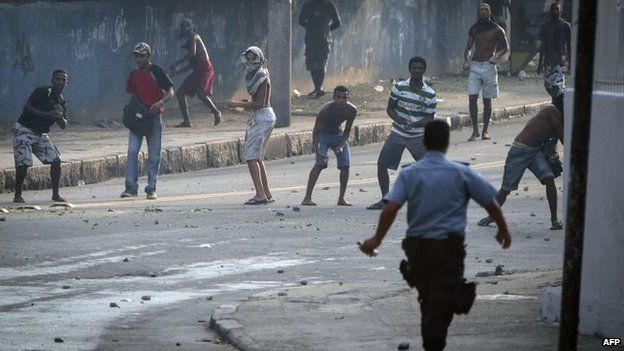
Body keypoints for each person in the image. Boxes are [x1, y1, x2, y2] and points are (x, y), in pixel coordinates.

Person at [360, 120, 512, 351]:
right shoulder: (461, 172)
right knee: (440, 303)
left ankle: (432, 338)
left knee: (429, 297)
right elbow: (491, 204)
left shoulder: (410, 173)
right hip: (448, 248)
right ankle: (433, 343)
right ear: (447, 144)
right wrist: (502, 229)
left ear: (423, 142)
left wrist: (376, 240)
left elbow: (390, 208)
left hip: (418, 248)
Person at [478, 105, 564, 230]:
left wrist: (552, 153)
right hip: (520, 149)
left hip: (536, 151)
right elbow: (564, 138)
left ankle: (554, 220)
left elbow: (552, 140)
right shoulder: (552, 111)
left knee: (549, 179)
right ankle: (491, 216)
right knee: (506, 189)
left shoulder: (558, 117)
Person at [367, 56, 436, 210]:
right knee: (382, 165)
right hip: (397, 134)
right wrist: (400, 120)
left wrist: (415, 124)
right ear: (409, 70)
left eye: (419, 68)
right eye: (414, 68)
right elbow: (390, 109)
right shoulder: (399, 87)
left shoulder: (430, 94)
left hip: (418, 136)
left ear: (424, 71)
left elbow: (430, 118)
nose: (417, 71)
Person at [121, 42, 174, 200]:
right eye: (136, 56)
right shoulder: (134, 74)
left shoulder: (157, 71)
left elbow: (170, 91)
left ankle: (151, 188)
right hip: (138, 119)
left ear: (148, 56)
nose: (138, 59)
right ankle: (130, 187)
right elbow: (133, 93)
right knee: (132, 152)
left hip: (154, 118)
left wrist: (160, 102)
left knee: (154, 156)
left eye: (141, 56)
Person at [226, 46, 276, 205]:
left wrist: (236, 104)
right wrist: (246, 103)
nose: (250, 61)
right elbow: (259, 101)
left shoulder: (261, 75)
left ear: (259, 58)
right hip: (264, 116)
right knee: (258, 157)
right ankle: (266, 192)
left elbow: (260, 102)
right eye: (247, 58)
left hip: (262, 117)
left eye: (253, 58)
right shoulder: (259, 74)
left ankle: (260, 194)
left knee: (251, 157)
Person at [12, 69, 69, 203]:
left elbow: (64, 125)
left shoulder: (61, 102)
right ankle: (17, 195)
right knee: (24, 162)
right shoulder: (42, 92)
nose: (60, 82)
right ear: (52, 80)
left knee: (56, 160)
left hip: (40, 134)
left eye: (63, 80)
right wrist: (47, 115)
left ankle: (55, 195)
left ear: (66, 83)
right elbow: (26, 107)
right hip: (24, 130)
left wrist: (60, 117)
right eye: (57, 79)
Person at [301, 85, 357, 206]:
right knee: (320, 164)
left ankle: (341, 198)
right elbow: (316, 131)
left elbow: (347, 130)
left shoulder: (351, 110)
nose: (341, 100)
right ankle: (307, 197)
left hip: (338, 135)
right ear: (334, 97)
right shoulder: (326, 110)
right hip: (324, 135)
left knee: (345, 165)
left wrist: (341, 145)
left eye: (344, 97)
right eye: (338, 97)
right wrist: (317, 150)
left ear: (348, 98)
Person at [463, 2, 509, 141]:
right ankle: (475, 131)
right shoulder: (474, 29)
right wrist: (467, 59)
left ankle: (485, 131)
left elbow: (505, 47)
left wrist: (497, 55)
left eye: (486, 10)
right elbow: (468, 49)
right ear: (478, 13)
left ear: (490, 12)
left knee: (487, 100)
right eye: (481, 10)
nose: (483, 12)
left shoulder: (497, 29)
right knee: (472, 97)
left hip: (489, 66)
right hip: (476, 66)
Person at [169, 18, 222, 128]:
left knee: (201, 94)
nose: (185, 28)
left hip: (206, 69)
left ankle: (216, 112)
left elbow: (192, 54)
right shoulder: (188, 42)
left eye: (187, 26)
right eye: (183, 26)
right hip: (197, 70)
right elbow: (191, 65)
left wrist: (175, 63)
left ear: (191, 26)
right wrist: (176, 73)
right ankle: (186, 121)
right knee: (180, 94)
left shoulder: (194, 36)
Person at [299, 0, 341, 98]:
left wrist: (327, 28)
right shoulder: (308, 5)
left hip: (324, 39)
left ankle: (319, 88)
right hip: (311, 39)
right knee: (312, 64)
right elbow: (301, 21)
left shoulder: (329, 6)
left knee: (321, 64)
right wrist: (311, 26)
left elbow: (337, 22)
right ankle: (317, 88)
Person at [537, 2, 571, 116]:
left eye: (557, 9)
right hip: (548, 61)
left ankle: (560, 112)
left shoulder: (566, 26)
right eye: (553, 9)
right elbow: (543, 46)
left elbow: (568, 44)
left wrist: (569, 62)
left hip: (559, 61)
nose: (555, 11)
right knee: (549, 86)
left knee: (558, 88)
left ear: (560, 11)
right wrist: (539, 64)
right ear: (550, 11)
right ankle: (557, 108)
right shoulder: (545, 26)